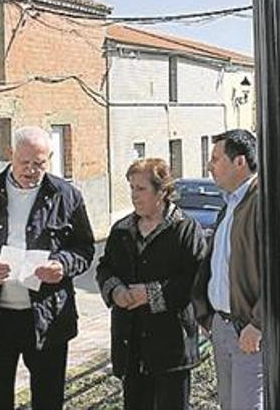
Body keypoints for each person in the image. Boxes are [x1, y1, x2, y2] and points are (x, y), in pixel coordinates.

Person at [0, 126, 95, 410]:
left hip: (47, 317)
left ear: (50, 158)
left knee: (48, 401)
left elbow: (85, 249)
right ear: (11, 155)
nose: (31, 170)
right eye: (24, 163)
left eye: (39, 164)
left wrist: (62, 265)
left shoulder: (66, 196)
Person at [192, 129, 280, 410]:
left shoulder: (268, 205)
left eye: (216, 159)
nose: (210, 166)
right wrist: (209, 318)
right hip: (224, 326)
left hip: (251, 331)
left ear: (239, 162)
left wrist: (259, 324)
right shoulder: (230, 204)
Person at [96, 158, 207, 410]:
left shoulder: (185, 229)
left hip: (171, 346)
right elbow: (104, 268)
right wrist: (115, 290)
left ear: (162, 191)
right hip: (131, 343)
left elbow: (194, 279)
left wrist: (151, 294)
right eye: (132, 188)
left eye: (141, 189)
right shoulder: (122, 230)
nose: (134, 196)